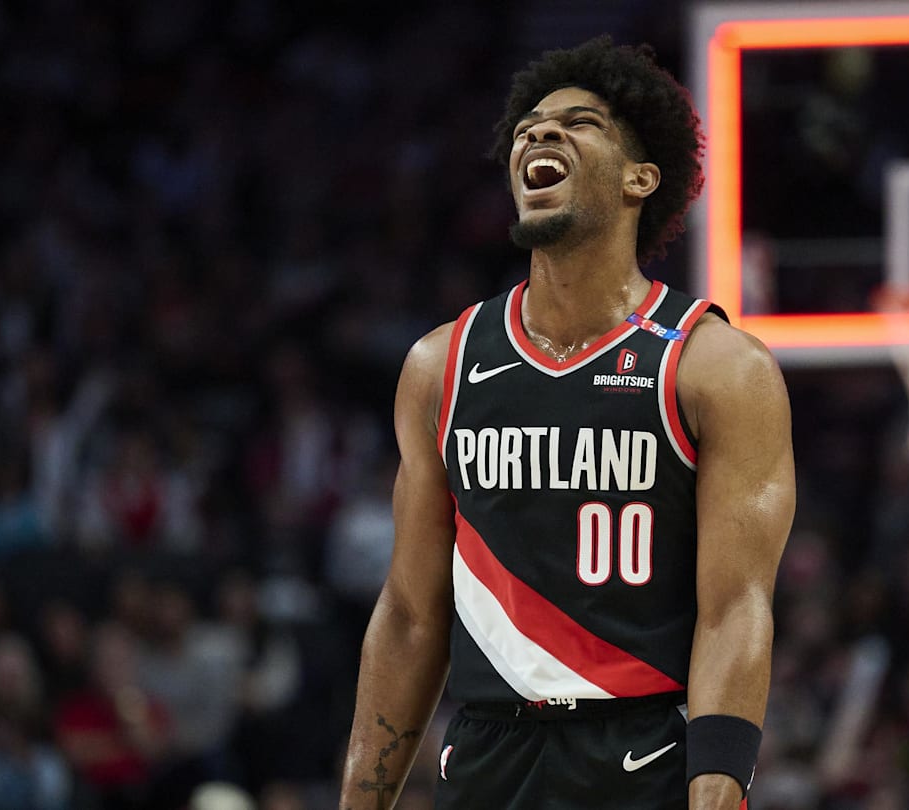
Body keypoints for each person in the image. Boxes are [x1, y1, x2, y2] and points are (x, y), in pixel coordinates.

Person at [338, 36, 795, 810]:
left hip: (641, 751)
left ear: (640, 179)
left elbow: (734, 608)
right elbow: (413, 616)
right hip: (486, 753)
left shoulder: (716, 368)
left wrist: (718, 788)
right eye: (528, 128)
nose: (539, 135)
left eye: (579, 124)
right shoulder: (439, 366)